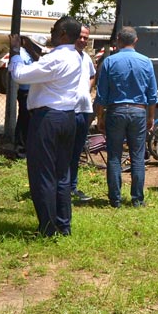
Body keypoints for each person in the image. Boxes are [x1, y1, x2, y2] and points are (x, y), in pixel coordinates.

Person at [8, 16, 82, 236]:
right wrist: (29, 46)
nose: (51, 33)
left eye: (54, 30)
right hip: (67, 117)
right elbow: (44, 60)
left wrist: (14, 52)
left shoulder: (57, 59)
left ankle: (47, 228)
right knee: (62, 174)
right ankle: (63, 224)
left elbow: (20, 75)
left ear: (63, 34)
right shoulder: (75, 55)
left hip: (48, 119)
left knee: (43, 174)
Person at [94, 26, 157, 208]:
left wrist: (100, 116)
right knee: (137, 156)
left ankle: (115, 199)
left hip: (116, 110)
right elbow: (152, 94)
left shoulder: (109, 62)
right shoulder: (146, 62)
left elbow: (101, 94)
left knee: (114, 156)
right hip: (138, 111)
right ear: (136, 40)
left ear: (118, 41)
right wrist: (150, 117)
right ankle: (137, 199)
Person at [70, 24, 96, 202]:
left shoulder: (86, 57)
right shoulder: (66, 55)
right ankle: (60, 186)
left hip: (84, 111)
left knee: (76, 151)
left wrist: (87, 89)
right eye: (80, 36)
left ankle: (72, 187)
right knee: (63, 150)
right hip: (68, 111)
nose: (83, 40)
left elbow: (93, 75)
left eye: (86, 37)